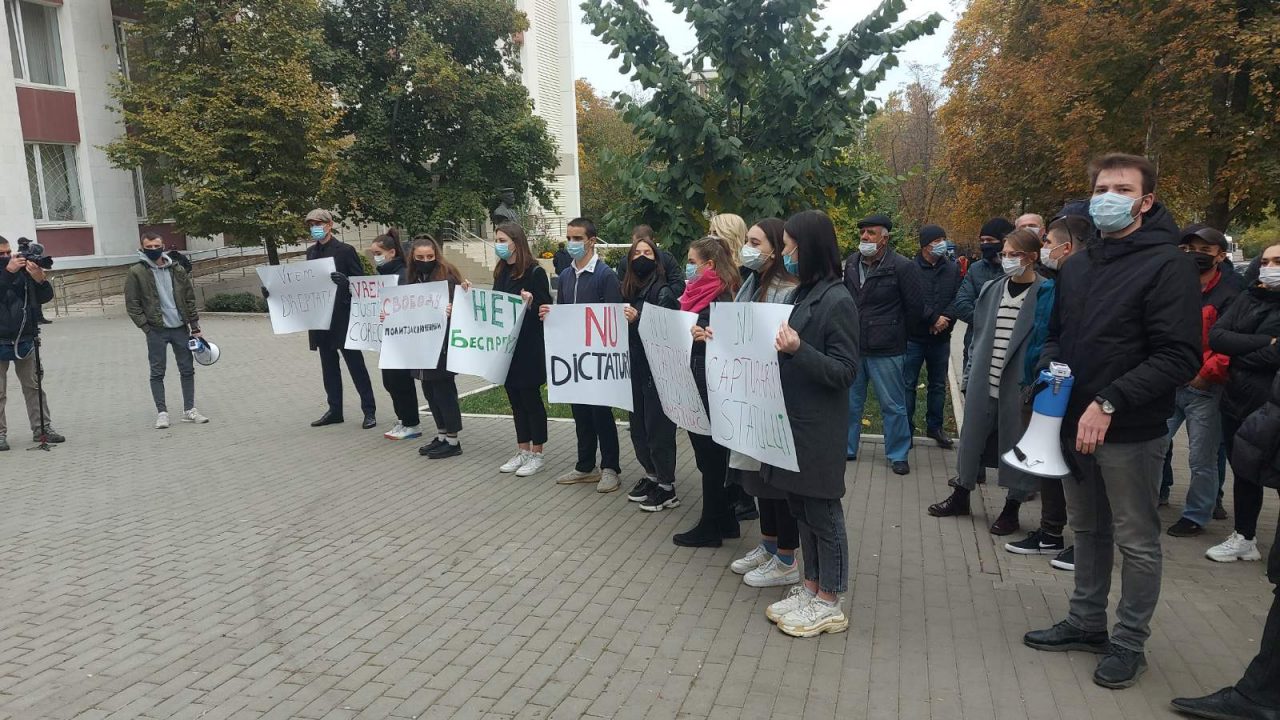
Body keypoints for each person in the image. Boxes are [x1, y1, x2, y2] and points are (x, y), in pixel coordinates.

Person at [1024, 153, 1202, 690]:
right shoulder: (1078, 263)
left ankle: (1128, 642)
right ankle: (1085, 622)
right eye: (1102, 187)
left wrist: (1110, 401)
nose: (1108, 196)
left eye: (1122, 188)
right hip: (1072, 421)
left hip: (1128, 427)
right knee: (1087, 528)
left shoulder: (1169, 265)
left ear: (1146, 201)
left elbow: (1179, 355)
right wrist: (1051, 368)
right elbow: (1056, 332)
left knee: (1136, 539)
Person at [758, 210, 860, 637]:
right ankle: (811, 586)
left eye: (789, 246)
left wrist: (800, 349)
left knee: (823, 513)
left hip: (818, 427)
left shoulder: (837, 299)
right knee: (801, 508)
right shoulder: (807, 293)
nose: (785, 254)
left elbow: (845, 370)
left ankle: (830, 601)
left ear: (809, 247)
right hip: (794, 423)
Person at [927, 229, 1044, 535]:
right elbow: (978, 335)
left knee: (1017, 445)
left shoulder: (1045, 292)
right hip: (984, 379)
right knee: (970, 441)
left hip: (1019, 385)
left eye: (1013, 254)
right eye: (1004, 254)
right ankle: (961, 494)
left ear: (1032, 257)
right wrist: (969, 374)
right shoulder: (993, 288)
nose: (1007, 259)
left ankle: (1012, 507)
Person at [1003, 213, 1091, 570]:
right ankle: (1050, 531)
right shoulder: (1055, 282)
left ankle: (1088, 543)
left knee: (1078, 468)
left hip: (1076, 390)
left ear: (1066, 247)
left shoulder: (1080, 284)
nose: (1044, 250)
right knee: (1047, 462)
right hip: (1047, 383)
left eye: (1048, 244)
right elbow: (1047, 335)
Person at [727, 218, 802, 588]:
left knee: (778, 483)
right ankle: (769, 544)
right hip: (751, 396)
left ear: (774, 246)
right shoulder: (753, 283)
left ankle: (787, 557)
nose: (748, 248)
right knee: (756, 478)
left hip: (775, 399)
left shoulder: (790, 290)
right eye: (747, 242)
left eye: (755, 242)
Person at [1158, 224, 1240, 538]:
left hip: (1205, 387)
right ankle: (1149, 498)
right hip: (1169, 382)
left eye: (1205, 251)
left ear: (1220, 255)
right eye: (1190, 249)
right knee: (1154, 447)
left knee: (1201, 457)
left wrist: (1205, 374)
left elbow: (1229, 344)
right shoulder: (1176, 286)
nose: (1196, 256)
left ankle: (1196, 515)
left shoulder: (1230, 294)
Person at [1203, 241, 1280, 563]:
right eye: (1266, 261)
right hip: (1237, 399)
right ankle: (1244, 536)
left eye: (1277, 260)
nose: (1270, 267)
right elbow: (1218, 337)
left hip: (1271, 404)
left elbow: (1275, 357)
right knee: (1244, 470)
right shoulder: (1249, 295)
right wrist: (1263, 343)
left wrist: (1239, 352)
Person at [539, 218, 625, 493]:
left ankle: (610, 467)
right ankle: (585, 465)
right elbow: (562, 312)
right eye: (569, 238)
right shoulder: (565, 275)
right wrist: (549, 316)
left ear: (592, 241)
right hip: (574, 361)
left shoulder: (604, 275)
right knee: (581, 414)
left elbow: (612, 319)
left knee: (601, 414)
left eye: (578, 238)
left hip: (597, 361)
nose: (572, 243)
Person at [277, 209, 377, 429]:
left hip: (343, 317)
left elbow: (361, 283)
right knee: (329, 366)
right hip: (320, 319)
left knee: (355, 365)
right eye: (311, 223)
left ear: (330, 225)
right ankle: (335, 410)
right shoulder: (311, 252)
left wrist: (346, 282)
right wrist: (274, 292)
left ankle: (369, 410)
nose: (315, 227)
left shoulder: (345, 251)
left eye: (318, 223)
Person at [842, 213, 923, 475]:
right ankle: (847, 448)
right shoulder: (852, 263)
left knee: (893, 405)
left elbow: (914, 308)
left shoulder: (902, 266)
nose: (864, 237)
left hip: (887, 349)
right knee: (851, 403)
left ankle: (898, 453)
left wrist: (896, 334)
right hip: (855, 346)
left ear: (884, 239)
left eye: (871, 233)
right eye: (862, 232)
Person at [675, 235, 741, 547]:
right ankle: (724, 519)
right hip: (698, 378)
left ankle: (711, 525)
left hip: (710, 384)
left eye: (691, 262)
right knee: (707, 456)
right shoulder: (700, 293)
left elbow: (729, 341)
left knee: (710, 455)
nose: (687, 268)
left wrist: (705, 337)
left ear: (709, 265)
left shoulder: (721, 297)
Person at [620, 233, 684, 511]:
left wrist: (640, 318)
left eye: (648, 253)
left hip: (658, 373)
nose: (641, 258)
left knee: (658, 431)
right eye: (636, 253)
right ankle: (652, 475)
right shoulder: (628, 290)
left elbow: (667, 330)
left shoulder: (663, 291)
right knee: (638, 429)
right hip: (634, 370)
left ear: (657, 260)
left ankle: (667, 487)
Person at [124, 232, 208, 429]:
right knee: (157, 372)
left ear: (163, 246)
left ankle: (190, 410)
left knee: (187, 369)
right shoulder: (136, 272)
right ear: (142, 247)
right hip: (156, 330)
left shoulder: (176, 269)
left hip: (180, 328)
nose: (153, 250)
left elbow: (189, 299)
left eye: (156, 246)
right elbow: (132, 304)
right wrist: (146, 328)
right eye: (149, 247)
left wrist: (195, 327)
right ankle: (162, 413)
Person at [489, 223, 553, 477]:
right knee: (515, 399)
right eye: (497, 240)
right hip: (507, 349)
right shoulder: (501, 272)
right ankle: (522, 449)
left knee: (530, 399)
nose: (499, 244)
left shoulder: (535, 272)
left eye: (503, 239)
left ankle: (537, 452)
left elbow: (545, 309)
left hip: (528, 347)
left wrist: (530, 303)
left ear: (516, 241)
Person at [402, 236, 466, 459]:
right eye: (420, 257)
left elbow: (464, 305)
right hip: (421, 344)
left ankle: (453, 440)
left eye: (429, 257)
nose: (425, 260)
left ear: (436, 256)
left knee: (444, 392)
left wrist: (453, 309)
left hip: (442, 345)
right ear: (413, 257)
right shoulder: (412, 277)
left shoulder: (447, 276)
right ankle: (441, 435)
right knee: (429, 391)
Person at [0, 237, 63, 449]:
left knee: (33, 386)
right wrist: (8, 272)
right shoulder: (9, 271)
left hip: (24, 336)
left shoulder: (22, 272)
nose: (7, 257)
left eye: (9, 252)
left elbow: (44, 297)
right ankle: (0, 435)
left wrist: (39, 279)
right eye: (1, 254)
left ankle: (42, 429)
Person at [905, 224, 960, 449]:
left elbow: (959, 297)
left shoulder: (953, 269)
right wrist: (932, 319)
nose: (942, 244)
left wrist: (945, 319)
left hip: (941, 338)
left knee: (937, 384)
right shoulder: (910, 268)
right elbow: (910, 300)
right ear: (926, 245)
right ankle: (906, 429)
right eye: (938, 240)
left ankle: (935, 427)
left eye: (943, 239)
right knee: (908, 384)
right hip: (914, 337)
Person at [370, 231, 421, 441]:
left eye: (378, 253)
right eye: (373, 253)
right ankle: (402, 419)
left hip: (402, 338)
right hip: (387, 338)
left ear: (392, 252)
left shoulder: (403, 274)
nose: (375, 257)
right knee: (389, 381)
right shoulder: (383, 275)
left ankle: (411, 423)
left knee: (400, 381)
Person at [954, 218, 1015, 372]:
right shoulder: (975, 269)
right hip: (975, 342)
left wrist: (979, 303)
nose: (984, 244)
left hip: (1007, 347)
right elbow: (961, 304)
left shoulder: (1015, 269)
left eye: (989, 240)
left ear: (1004, 241)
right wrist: (988, 320)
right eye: (982, 240)